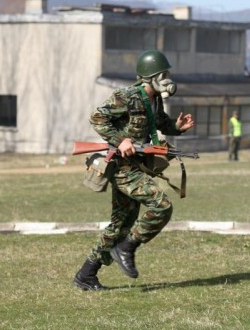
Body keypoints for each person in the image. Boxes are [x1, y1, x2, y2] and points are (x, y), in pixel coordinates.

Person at [73, 50, 196, 291]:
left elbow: (158, 122)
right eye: (164, 73)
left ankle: (86, 274)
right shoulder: (127, 96)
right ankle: (126, 248)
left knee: (119, 225)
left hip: (138, 166)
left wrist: (176, 127)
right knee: (161, 205)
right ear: (152, 76)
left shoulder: (155, 99)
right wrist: (121, 141)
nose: (168, 78)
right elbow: (97, 118)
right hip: (122, 168)